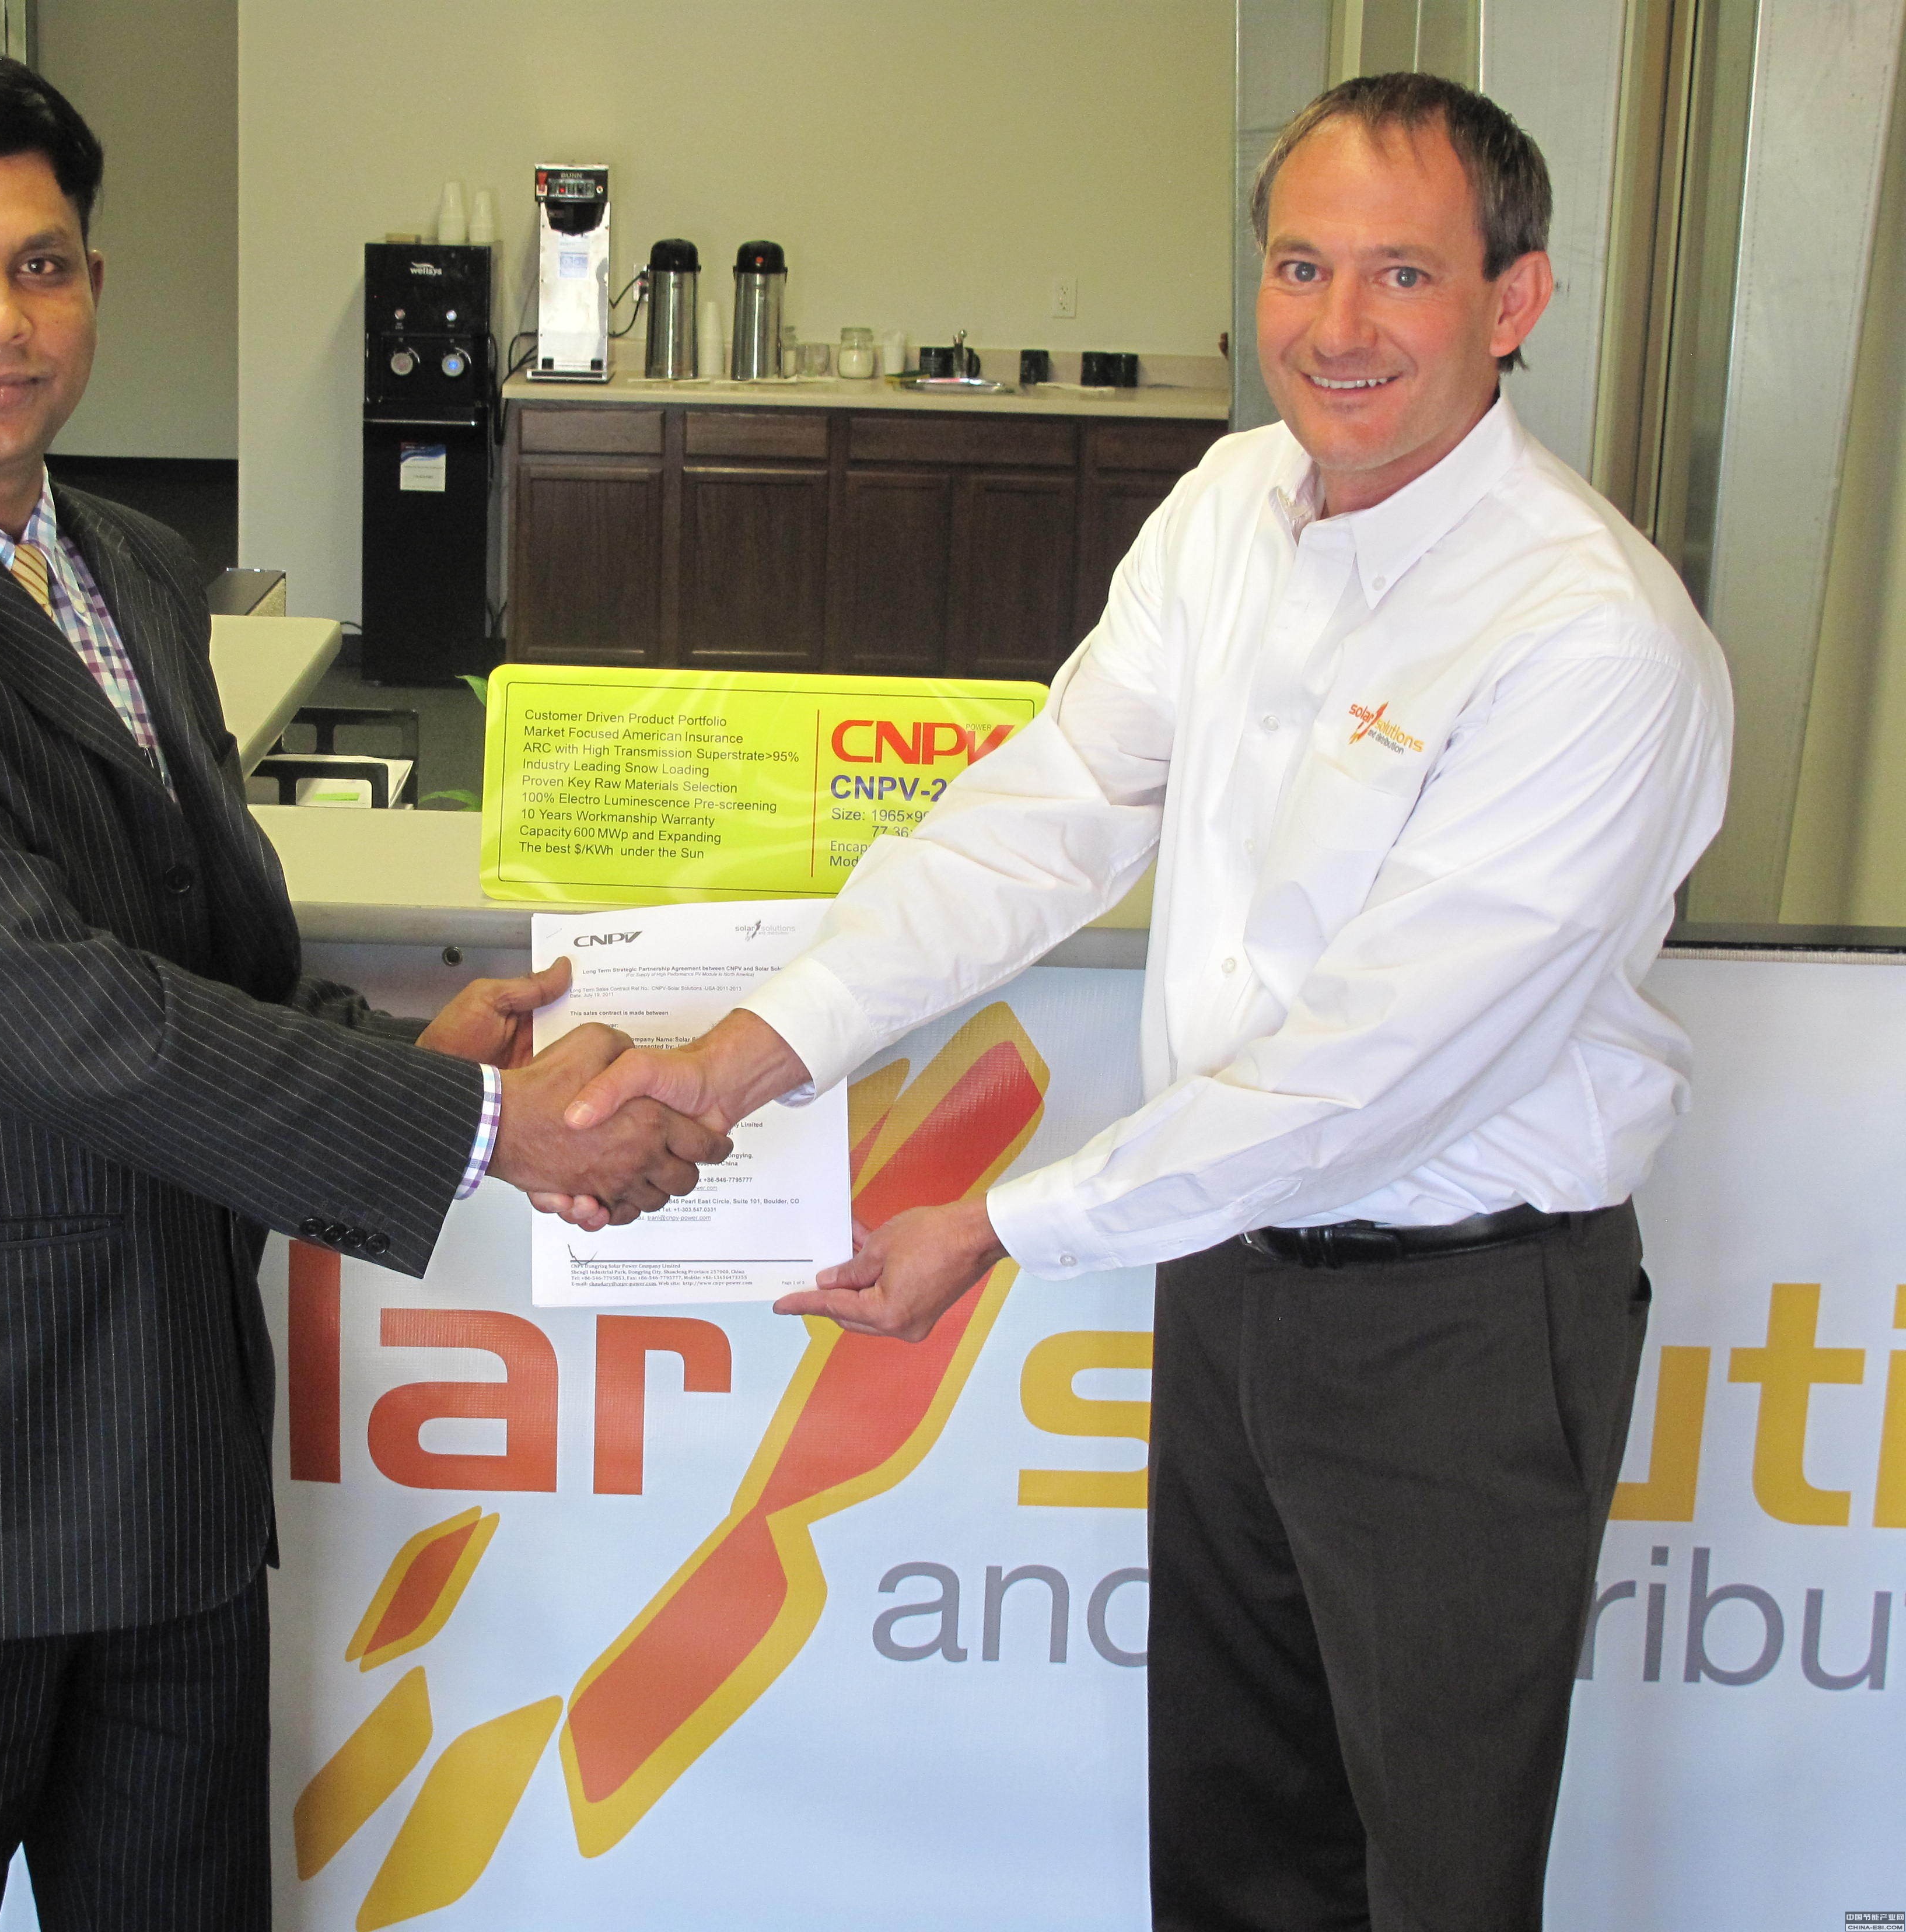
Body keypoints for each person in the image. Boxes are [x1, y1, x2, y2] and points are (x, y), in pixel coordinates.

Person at [553, 73, 1731, 1931]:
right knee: (1238, 1847)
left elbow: (1370, 1080)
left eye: (1404, 274)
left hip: (1460, 1326)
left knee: (1434, 1875)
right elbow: (1050, 815)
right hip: (1233, 1279)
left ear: (1514, 301)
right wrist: (745, 1058)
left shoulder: (1590, 635)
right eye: (1302, 266)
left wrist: (1001, 1227)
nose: (1337, 328)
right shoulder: (1232, 502)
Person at [0, 47, 725, 1931]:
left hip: (161, 1447)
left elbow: (192, 955)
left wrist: (397, 1050)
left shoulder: (135, 570)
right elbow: (60, 1013)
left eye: (42, 265)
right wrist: (486, 1127)